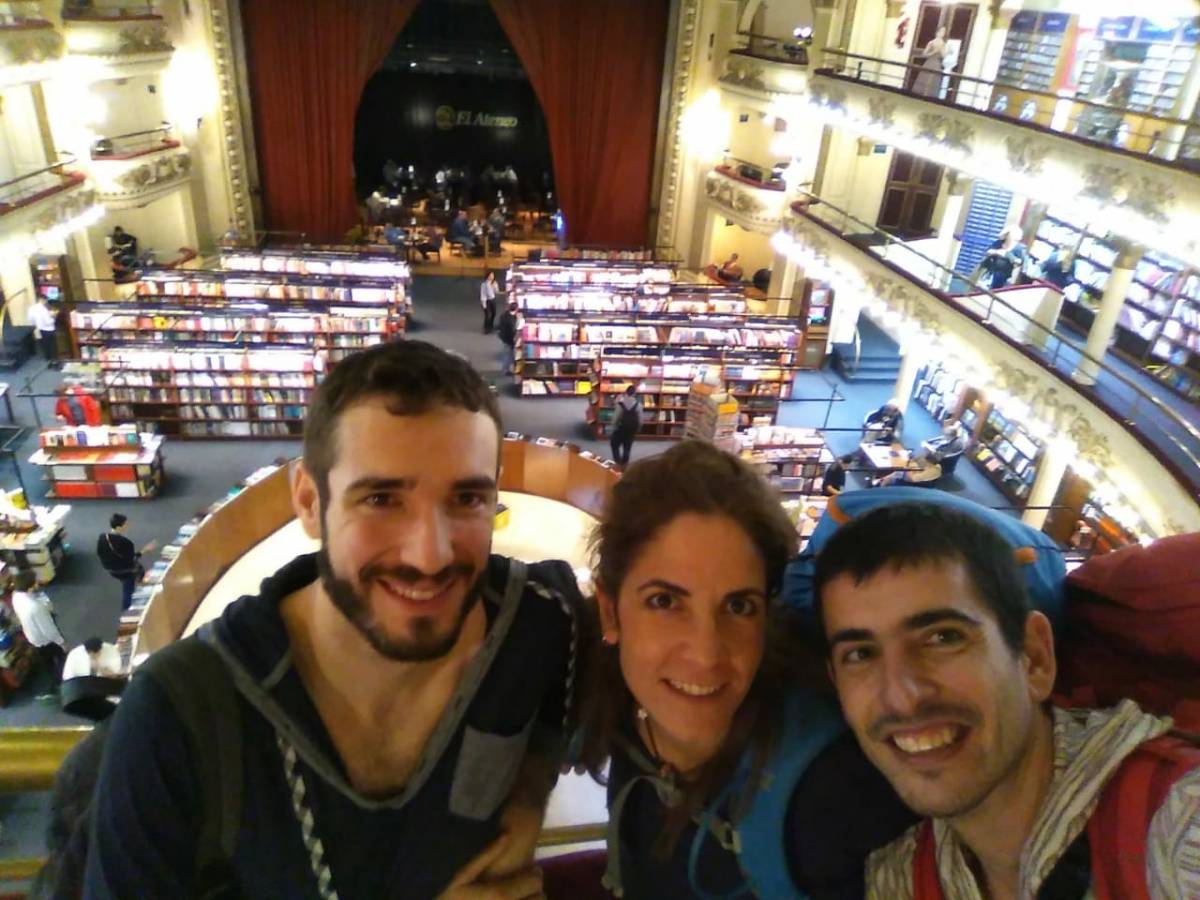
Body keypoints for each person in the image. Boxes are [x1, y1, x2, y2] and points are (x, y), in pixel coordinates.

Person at [86, 341, 581, 897]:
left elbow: (557, 719)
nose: (430, 556)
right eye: (381, 499)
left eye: (466, 498)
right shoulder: (179, 717)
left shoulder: (542, 618)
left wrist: (531, 789)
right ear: (308, 501)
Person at [579, 442, 915, 898]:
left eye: (738, 606)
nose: (705, 653)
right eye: (665, 602)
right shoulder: (609, 690)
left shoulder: (835, 801)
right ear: (610, 613)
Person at [813, 503, 1200, 899]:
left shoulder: (1179, 823)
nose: (902, 697)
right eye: (860, 654)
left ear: (1034, 658)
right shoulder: (897, 879)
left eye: (944, 637)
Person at [11, 570, 66, 687]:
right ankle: (62, 680)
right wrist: (62, 643)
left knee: (47, 661)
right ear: (30, 587)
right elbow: (49, 630)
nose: (38, 583)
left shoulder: (16, 596)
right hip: (46, 640)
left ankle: (54, 678)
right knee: (61, 657)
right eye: (35, 582)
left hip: (33, 637)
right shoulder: (36, 607)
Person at [95, 514, 155, 611]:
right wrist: (144, 551)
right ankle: (127, 610)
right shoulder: (126, 542)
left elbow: (99, 552)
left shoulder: (102, 537)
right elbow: (131, 559)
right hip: (124, 571)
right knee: (128, 588)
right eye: (126, 524)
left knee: (128, 582)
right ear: (119, 527)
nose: (128, 526)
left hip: (111, 569)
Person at [877, 422, 965, 487]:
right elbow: (914, 461)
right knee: (894, 474)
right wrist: (910, 464)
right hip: (914, 471)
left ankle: (881, 483)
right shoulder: (925, 461)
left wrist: (907, 470)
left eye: (926, 453)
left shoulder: (934, 470)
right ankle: (881, 481)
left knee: (896, 474)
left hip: (912, 481)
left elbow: (913, 478)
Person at [980, 226, 1027, 290]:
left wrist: (1008, 255)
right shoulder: (999, 243)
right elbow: (988, 251)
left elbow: (1019, 262)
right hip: (990, 272)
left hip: (1002, 276)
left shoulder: (1019, 248)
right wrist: (998, 252)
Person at [609, 384, 642, 468]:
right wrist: (637, 429)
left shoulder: (620, 404)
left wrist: (613, 428)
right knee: (627, 448)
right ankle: (624, 465)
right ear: (635, 394)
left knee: (614, 445)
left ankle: (617, 462)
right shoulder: (638, 405)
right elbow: (640, 420)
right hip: (631, 430)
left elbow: (615, 418)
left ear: (626, 393)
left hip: (620, 429)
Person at [911, 26, 948, 98]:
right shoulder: (931, 42)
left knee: (933, 81)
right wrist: (932, 52)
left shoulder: (943, 44)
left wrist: (941, 50)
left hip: (937, 64)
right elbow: (924, 54)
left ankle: (930, 97)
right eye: (941, 31)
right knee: (925, 79)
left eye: (944, 32)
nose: (942, 33)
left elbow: (944, 56)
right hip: (929, 63)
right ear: (937, 32)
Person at [28, 296, 58, 366]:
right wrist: (54, 317)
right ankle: (55, 362)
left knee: (45, 346)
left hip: (39, 329)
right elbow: (48, 322)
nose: (46, 302)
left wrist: (37, 324)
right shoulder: (44, 309)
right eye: (46, 301)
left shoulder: (32, 308)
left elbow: (31, 319)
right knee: (52, 347)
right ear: (43, 300)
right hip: (49, 330)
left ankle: (48, 361)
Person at [497, 300, 520, 375]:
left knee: (507, 355)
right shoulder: (511, 320)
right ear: (516, 309)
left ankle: (506, 369)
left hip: (503, 337)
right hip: (509, 340)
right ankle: (505, 371)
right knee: (508, 355)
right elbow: (513, 331)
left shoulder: (504, 315)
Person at [480, 270, 499, 334]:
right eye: (490, 275)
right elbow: (483, 294)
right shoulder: (484, 284)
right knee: (487, 315)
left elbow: (496, 292)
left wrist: (495, 286)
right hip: (487, 301)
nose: (492, 277)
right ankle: (486, 328)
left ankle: (491, 325)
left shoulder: (494, 283)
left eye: (493, 275)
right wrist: (484, 304)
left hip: (493, 300)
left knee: (494, 313)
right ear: (487, 276)